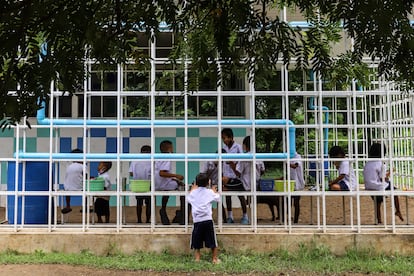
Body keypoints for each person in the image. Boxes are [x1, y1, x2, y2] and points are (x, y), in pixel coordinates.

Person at [363, 143, 404, 223]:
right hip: (378, 186)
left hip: (369, 186)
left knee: (377, 203)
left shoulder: (367, 163)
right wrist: (389, 173)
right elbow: (383, 179)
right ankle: (398, 210)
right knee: (394, 191)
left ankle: (379, 220)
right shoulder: (381, 163)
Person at [187, 173, 220, 264]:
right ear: (208, 183)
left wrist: (192, 190)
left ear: (196, 183)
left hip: (197, 221)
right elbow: (218, 198)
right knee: (212, 240)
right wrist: (214, 191)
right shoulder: (209, 192)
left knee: (196, 240)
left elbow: (188, 199)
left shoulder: (193, 193)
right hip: (208, 220)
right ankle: (214, 258)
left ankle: (197, 258)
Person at [155, 140, 185, 225]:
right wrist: (176, 176)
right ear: (169, 148)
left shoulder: (158, 157)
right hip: (163, 184)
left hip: (157, 184)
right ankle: (183, 215)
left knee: (171, 186)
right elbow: (162, 173)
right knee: (183, 188)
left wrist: (174, 178)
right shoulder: (167, 157)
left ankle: (163, 208)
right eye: (172, 147)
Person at [221, 128, 247, 224]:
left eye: (225, 138)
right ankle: (230, 216)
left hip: (236, 176)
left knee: (241, 196)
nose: (224, 140)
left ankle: (245, 216)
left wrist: (233, 165)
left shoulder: (238, 148)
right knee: (227, 196)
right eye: (222, 138)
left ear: (231, 137)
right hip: (226, 176)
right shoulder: (224, 148)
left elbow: (242, 161)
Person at [129, 145, 152, 223]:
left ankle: (139, 220)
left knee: (139, 203)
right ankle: (148, 220)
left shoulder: (135, 159)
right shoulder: (151, 160)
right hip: (148, 184)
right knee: (149, 203)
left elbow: (131, 173)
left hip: (137, 184)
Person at [61, 148, 84, 214]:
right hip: (80, 188)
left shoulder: (69, 166)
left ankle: (68, 205)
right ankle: (85, 206)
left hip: (68, 189)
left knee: (67, 187)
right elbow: (86, 176)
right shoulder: (83, 166)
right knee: (86, 189)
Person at [290, 152, 305, 223]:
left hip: (298, 184)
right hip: (290, 183)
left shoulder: (297, 157)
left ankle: (296, 220)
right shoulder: (288, 156)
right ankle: (287, 218)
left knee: (296, 203)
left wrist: (286, 163)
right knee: (287, 202)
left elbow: (295, 165)